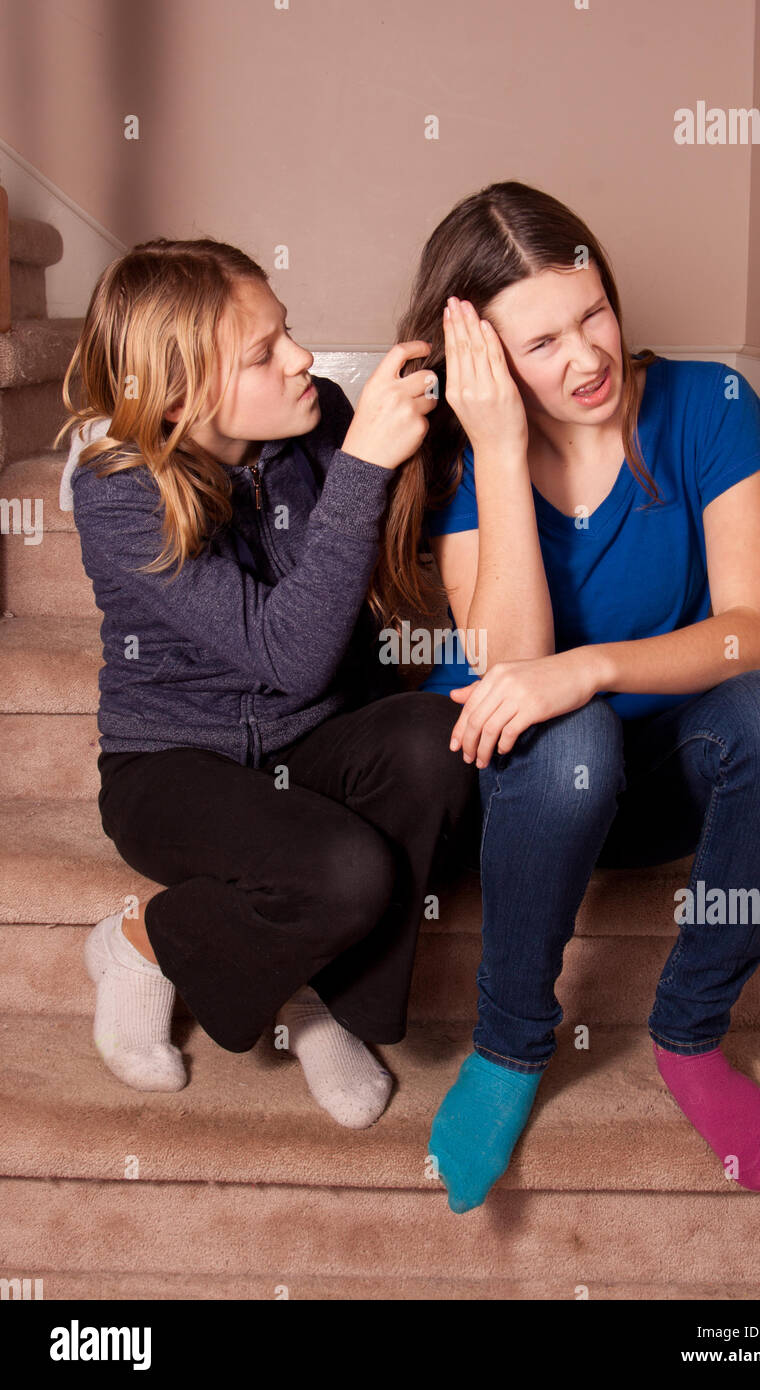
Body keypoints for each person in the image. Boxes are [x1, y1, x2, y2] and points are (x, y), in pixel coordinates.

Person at [368, 180, 760, 1210]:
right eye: (538, 344)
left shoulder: (704, 403)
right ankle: (508, 1043)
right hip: (533, 791)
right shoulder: (463, 454)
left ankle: (690, 1029)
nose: (584, 358)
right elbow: (507, 660)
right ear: (485, 362)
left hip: (663, 770)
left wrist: (592, 665)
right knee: (570, 737)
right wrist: (497, 449)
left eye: (591, 313)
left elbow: (751, 631)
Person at [55, 237, 478, 1128]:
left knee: (438, 739)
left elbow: (370, 571)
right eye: (263, 354)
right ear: (178, 395)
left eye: (286, 332)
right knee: (344, 872)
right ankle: (142, 942)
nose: (303, 361)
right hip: (171, 765)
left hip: (314, 737)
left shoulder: (314, 415)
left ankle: (320, 991)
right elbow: (287, 652)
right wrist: (361, 468)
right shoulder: (116, 493)